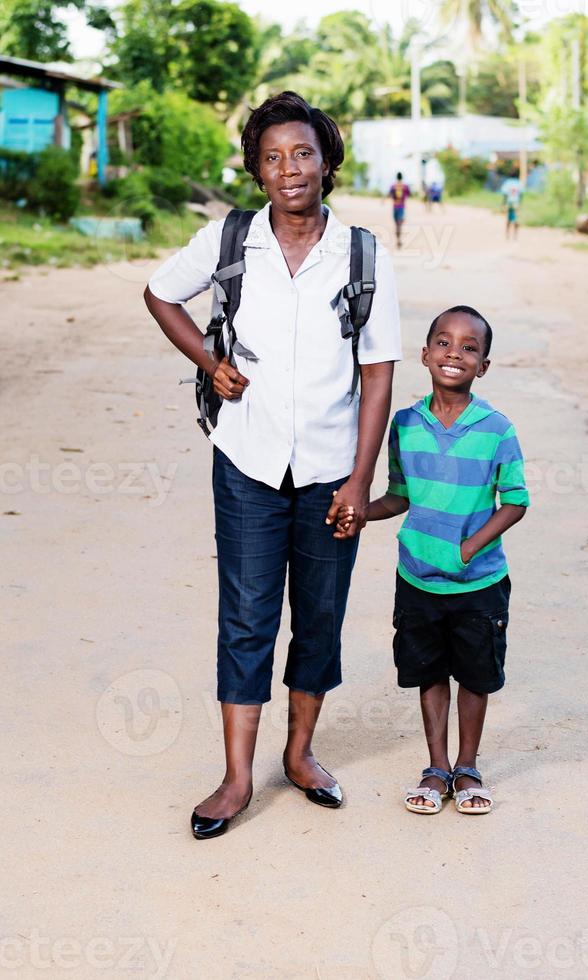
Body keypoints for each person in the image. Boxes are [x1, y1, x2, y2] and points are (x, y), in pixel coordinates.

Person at [144, 91, 401, 839]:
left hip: (330, 468)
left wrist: (360, 479)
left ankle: (299, 755)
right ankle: (233, 780)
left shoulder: (360, 253)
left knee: (318, 619)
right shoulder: (229, 240)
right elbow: (162, 295)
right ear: (256, 170)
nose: (289, 169)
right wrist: (209, 358)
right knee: (247, 618)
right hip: (247, 461)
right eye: (273, 157)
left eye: (303, 153)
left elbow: (379, 373)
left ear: (327, 162)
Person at [336, 306, 528, 814]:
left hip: (479, 582)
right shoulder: (404, 425)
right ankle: (436, 768)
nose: (454, 354)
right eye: (444, 342)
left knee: (475, 675)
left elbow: (516, 500)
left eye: (470, 348)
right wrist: (363, 513)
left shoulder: (496, 428)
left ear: (483, 365)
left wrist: (469, 546)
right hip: (417, 578)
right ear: (424, 354)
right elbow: (399, 495)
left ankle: (468, 768)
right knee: (429, 672)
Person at [388, 172, 410, 248]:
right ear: (402, 177)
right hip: (401, 207)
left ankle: (398, 240)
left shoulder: (393, 186)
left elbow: (389, 195)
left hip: (395, 207)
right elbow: (408, 195)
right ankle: (399, 240)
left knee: (396, 225)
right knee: (399, 225)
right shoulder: (405, 186)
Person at [500, 174, 523, 240]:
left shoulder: (508, 182)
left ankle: (507, 235)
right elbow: (521, 194)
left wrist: (503, 203)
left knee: (509, 219)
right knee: (516, 219)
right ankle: (515, 235)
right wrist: (520, 203)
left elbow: (505, 194)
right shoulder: (519, 183)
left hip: (510, 202)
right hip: (516, 202)